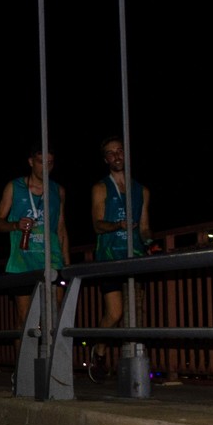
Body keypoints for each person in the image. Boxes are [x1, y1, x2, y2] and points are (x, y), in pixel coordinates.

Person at [0, 144, 70, 330]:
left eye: (50, 163)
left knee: (54, 315)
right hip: (22, 264)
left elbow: (61, 228)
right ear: (31, 162)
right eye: (41, 162)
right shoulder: (15, 187)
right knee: (26, 320)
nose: (46, 167)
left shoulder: (58, 191)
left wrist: (67, 264)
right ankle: (25, 360)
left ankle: (52, 358)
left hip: (52, 262)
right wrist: (15, 225)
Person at [91, 135, 151, 328]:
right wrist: (118, 225)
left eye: (119, 151)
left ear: (126, 154)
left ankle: (134, 355)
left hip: (134, 256)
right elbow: (97, 225)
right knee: (115, 313)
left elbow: (144, 227)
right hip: (109, 257)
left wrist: (150, 243)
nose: (116, 156)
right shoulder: (101, 188)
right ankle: (98, 350)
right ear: (105, 160)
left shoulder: (141, 190)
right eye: (110, 153)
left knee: (136, 312)